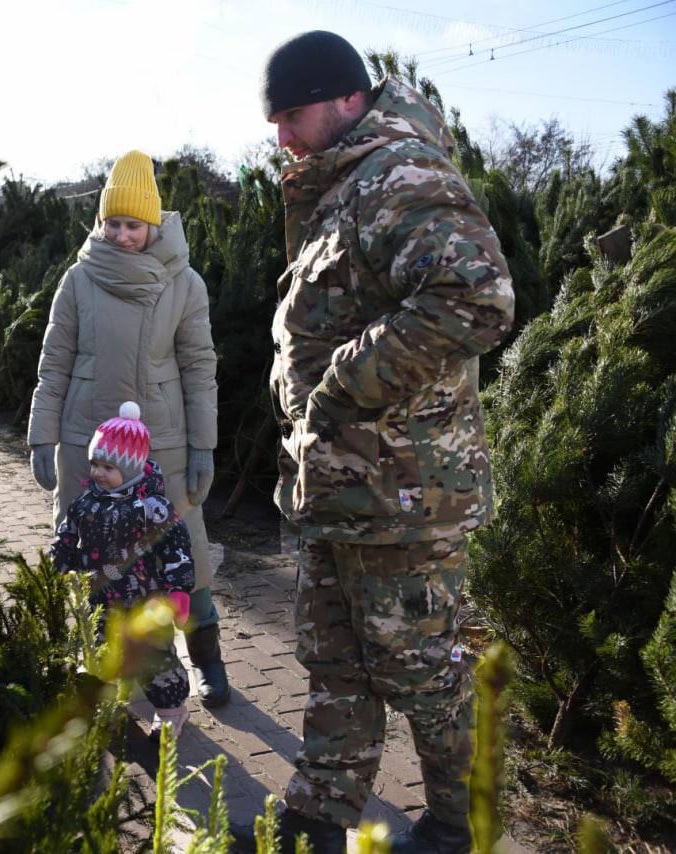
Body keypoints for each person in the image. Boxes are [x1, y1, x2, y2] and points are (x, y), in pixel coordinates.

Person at [247, 30, 516, 854]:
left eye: (292, 114)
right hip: (342, 492)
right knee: (337, 666)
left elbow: (476, 296)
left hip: (405, 495)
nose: (281, 136)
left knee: (422, 674)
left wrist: (338, 388)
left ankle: (460, 823)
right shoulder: (338, 189)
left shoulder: (398, 175)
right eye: (275, 119)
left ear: (348, 100)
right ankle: (320, 818)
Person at [27, 150, 229, 707]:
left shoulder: (185, 285)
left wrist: (203, 448)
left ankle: (206, 656)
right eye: (111, 222)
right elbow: (55, 361)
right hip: (86, 443)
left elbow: (199, 367)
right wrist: (41, 433)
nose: (120, 234)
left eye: (132, 225)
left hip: (160, 446)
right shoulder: (77, 280)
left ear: (154, 223)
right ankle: (103, 661)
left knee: (182, 554)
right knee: (96, 557)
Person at [49, 402, 194, 740]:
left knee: (156, 659)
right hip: (101, 597)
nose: (98, 473)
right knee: (99, 652)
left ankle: (172, 712)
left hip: (146, 601)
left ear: (131, 468)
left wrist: (179, 588)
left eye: (108, 467)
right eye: (95, 464)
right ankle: (102, 705)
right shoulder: (87, 502)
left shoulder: (152, 508)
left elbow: (176, 547)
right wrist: (59, 562)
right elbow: (67, 534)